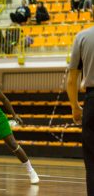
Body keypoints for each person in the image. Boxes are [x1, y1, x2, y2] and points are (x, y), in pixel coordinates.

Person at [67, 25, 94, 196]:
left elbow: (72, 79)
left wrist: (75, 106)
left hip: (92, 101)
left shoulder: (82, 36)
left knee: (92, 160)